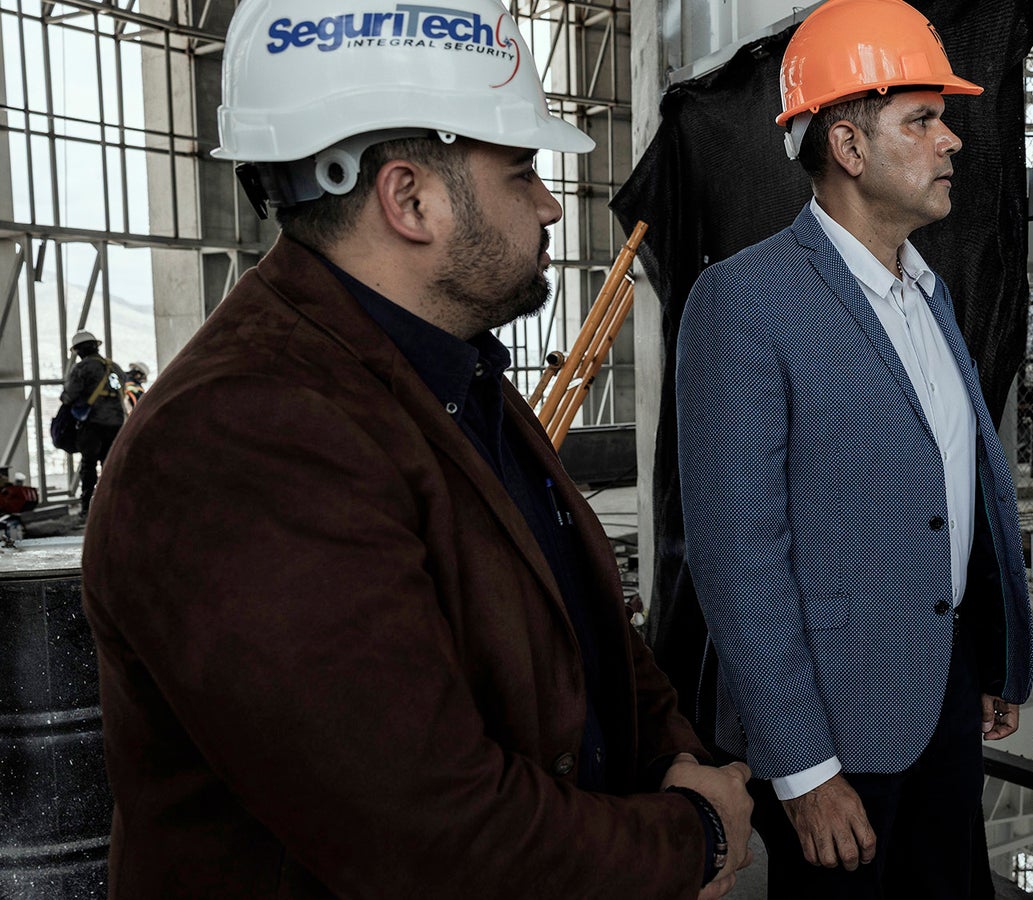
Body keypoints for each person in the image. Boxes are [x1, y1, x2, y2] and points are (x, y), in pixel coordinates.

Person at [80, 1, 751, 897]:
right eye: (521, 170)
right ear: (410, 198)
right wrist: (691, 835)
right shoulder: (241, 437)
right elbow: (430, 835)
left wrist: (672, 754)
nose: (551, 204)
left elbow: (582, 623)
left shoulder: (441, 372)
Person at [674, 0, 1033, 897]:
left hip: (943, 695)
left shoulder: (928, 294)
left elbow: (955, 493)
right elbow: (737, 557)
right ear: (847, 145)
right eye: (923, 119)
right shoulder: (745, 303)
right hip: (836, 731)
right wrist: (802, 770)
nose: (952, 141)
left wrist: (986, 655)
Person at [60, 329, 126, 517]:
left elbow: (69, 395)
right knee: (110, 465)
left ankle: (88, 507)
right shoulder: (115, 367)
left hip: (92, 424)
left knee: (89, 465)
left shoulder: (82, 369)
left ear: (79, 351)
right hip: (116, 424)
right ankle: (113, 504)